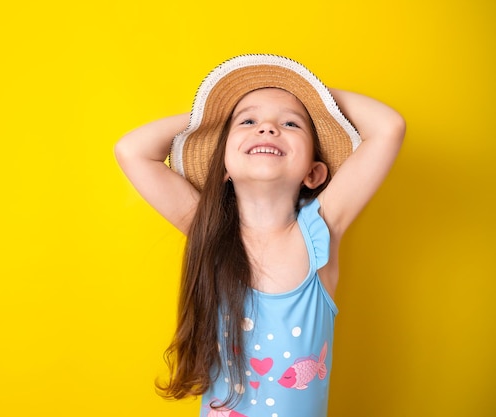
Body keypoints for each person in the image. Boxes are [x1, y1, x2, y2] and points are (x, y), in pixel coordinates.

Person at [114, 54, 405, 417]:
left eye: (291, 123)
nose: (268, 128)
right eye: (248, 120)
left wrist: (312, 95)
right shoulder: (210, 232)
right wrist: (209, 118)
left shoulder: (321, 228)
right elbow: (132, 151)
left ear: (314, 173)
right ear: (222, 169)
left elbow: (388, 128)